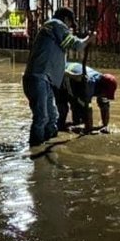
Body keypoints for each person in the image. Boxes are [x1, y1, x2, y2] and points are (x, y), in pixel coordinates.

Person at [22, 8, 91, 147]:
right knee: (42, 117)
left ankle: (48, 145)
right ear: (66, 19)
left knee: (53, 116)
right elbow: (76, 45)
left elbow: (57, 66)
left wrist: (72, 75)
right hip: (38, 78)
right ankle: (36, 149)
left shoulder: (52, 32)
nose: (69, 29)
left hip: (44, 80)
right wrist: (89, 39)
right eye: (70, 25)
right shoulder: (55, 24)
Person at [55, 63, 118, 133]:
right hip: (61, 76)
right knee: (62, 112)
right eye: (105, 94)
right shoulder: (89, 84)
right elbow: (88, 109)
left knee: (79, 119)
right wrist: (90, 129)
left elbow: (105, 105)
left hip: (74, 80)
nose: (105, 96)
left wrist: (105, 126)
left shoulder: (103, 82)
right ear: (101, 89)